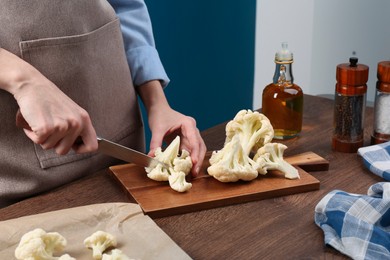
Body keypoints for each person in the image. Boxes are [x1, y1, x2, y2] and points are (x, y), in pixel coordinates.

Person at [0, 0, 206, 207]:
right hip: (24, 183)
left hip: (124, 156)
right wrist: (25, 81)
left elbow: (126, 6)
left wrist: (157, 103)